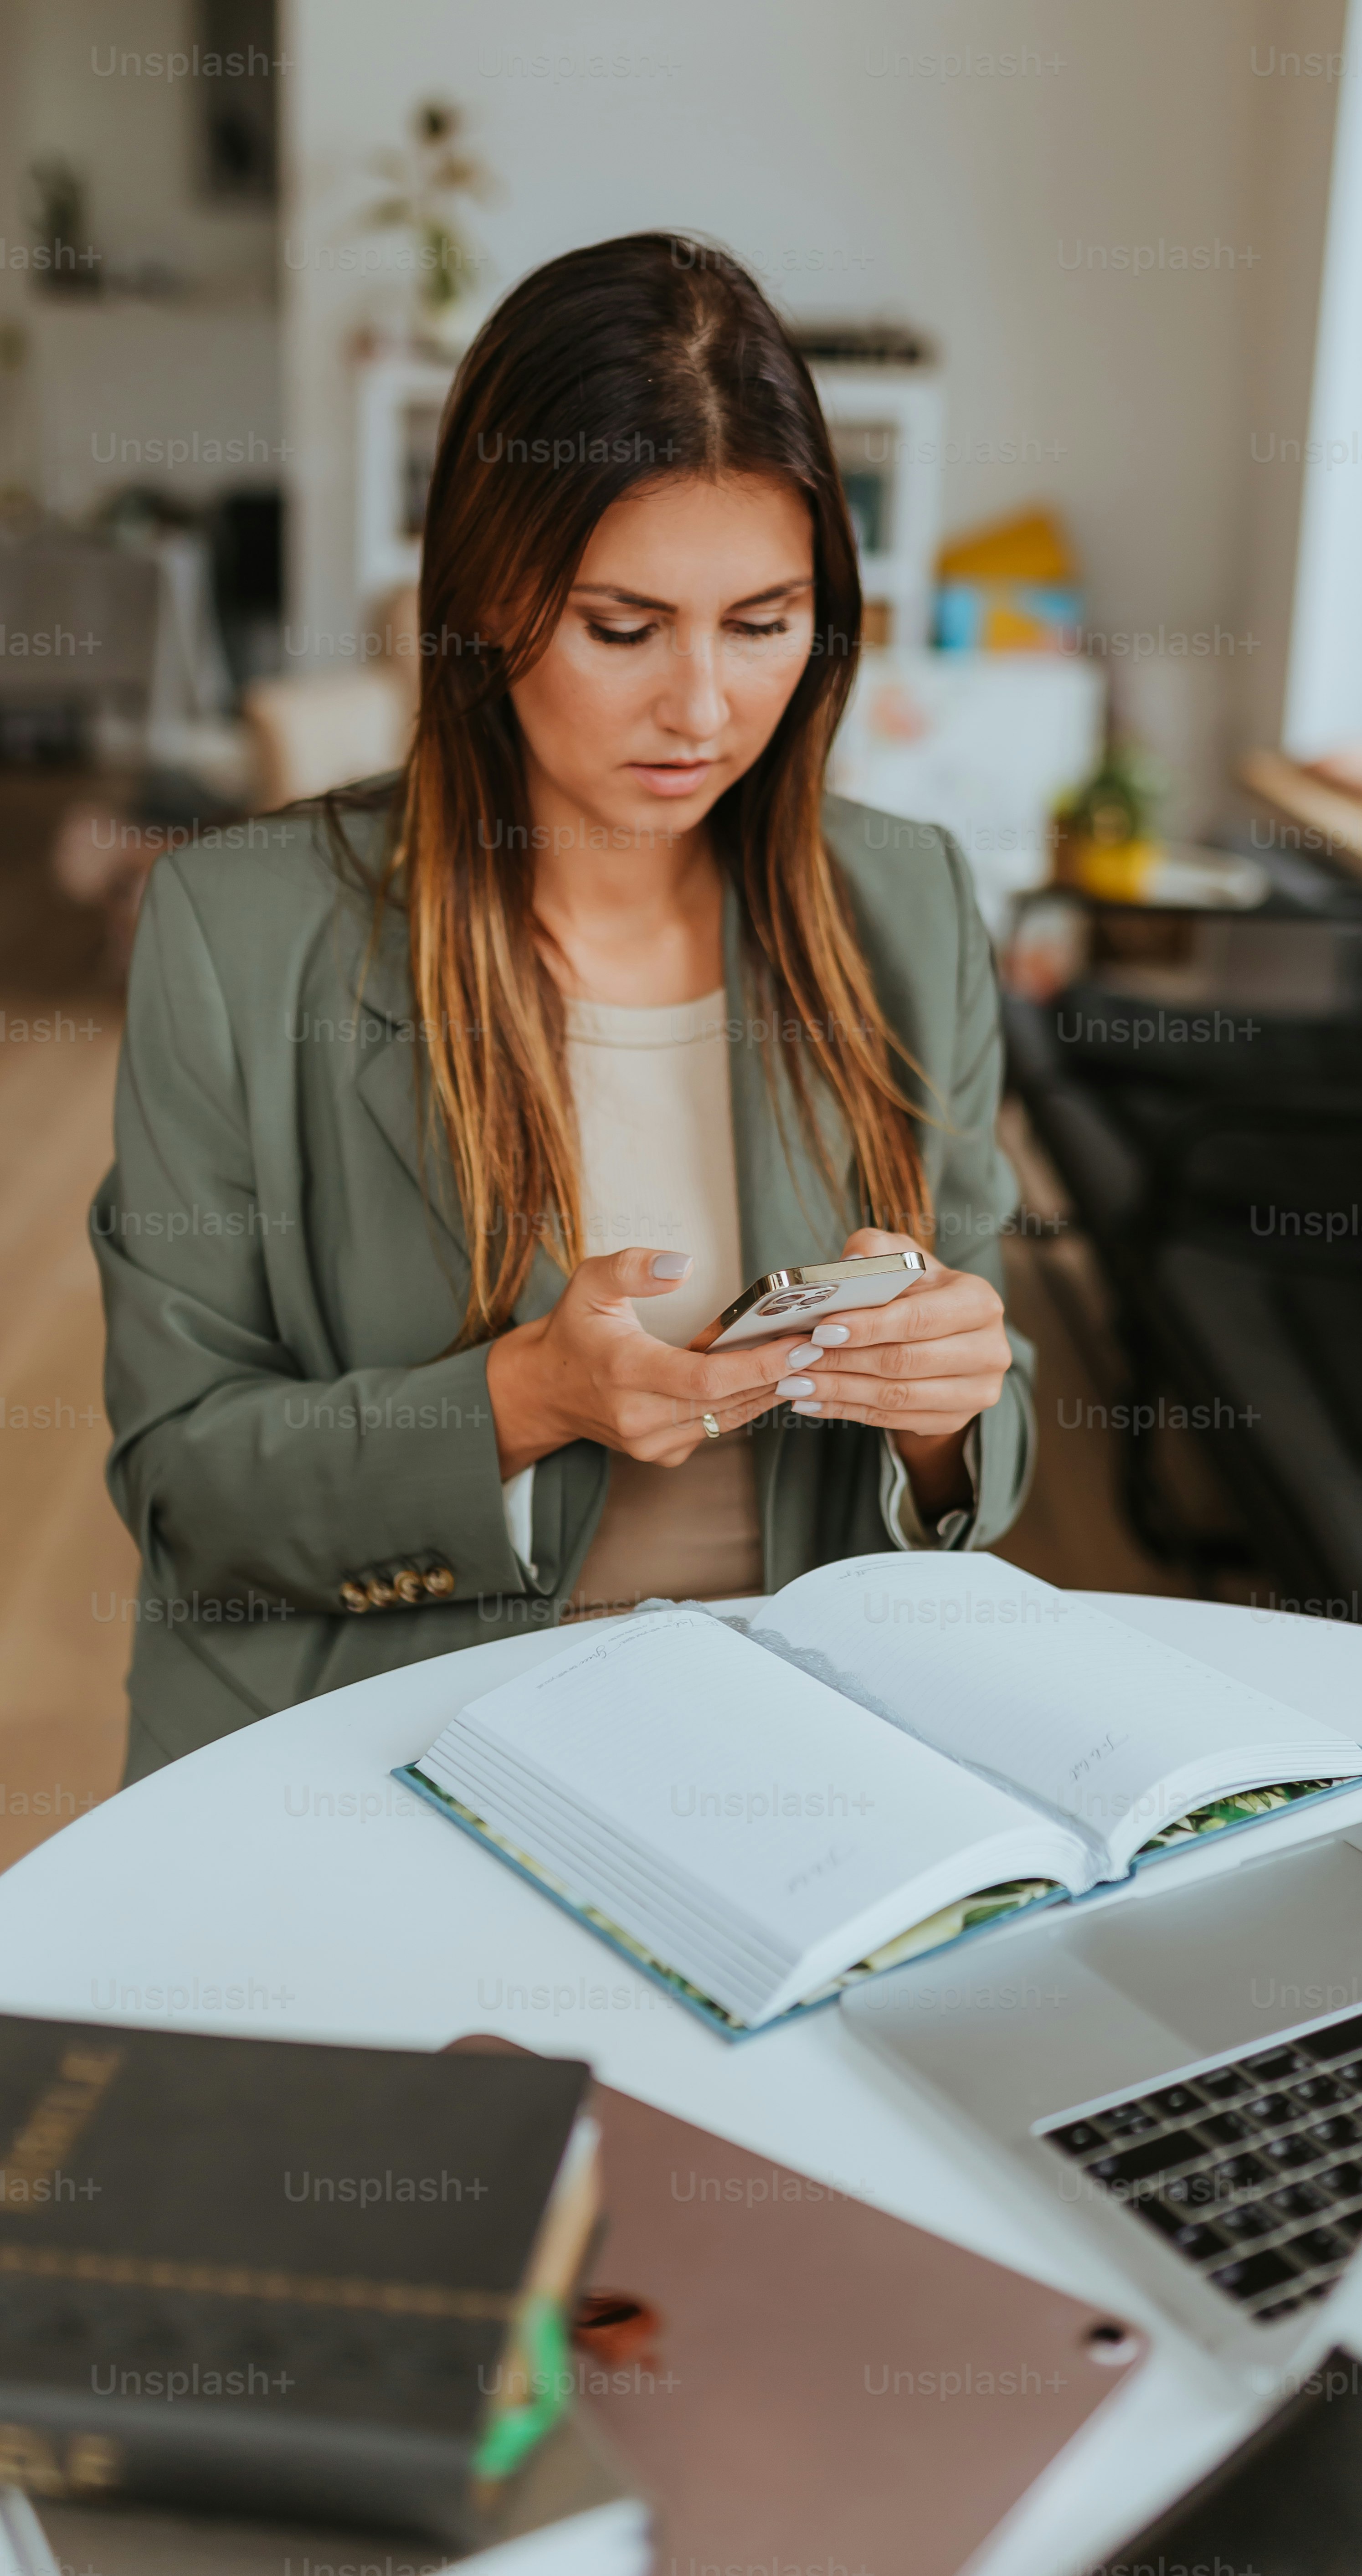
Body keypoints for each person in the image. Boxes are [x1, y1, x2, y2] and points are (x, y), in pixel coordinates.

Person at [95, 233, 1036, 1779]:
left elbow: (985, 1444)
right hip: (387, 1749)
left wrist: (941, 1411)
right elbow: (185, 1488)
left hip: (791, 1751)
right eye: (622, 628)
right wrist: (517, 1400)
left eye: (762, 623)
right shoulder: (239, 933)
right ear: (485, 594)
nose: (703, 709)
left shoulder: (909, 903)